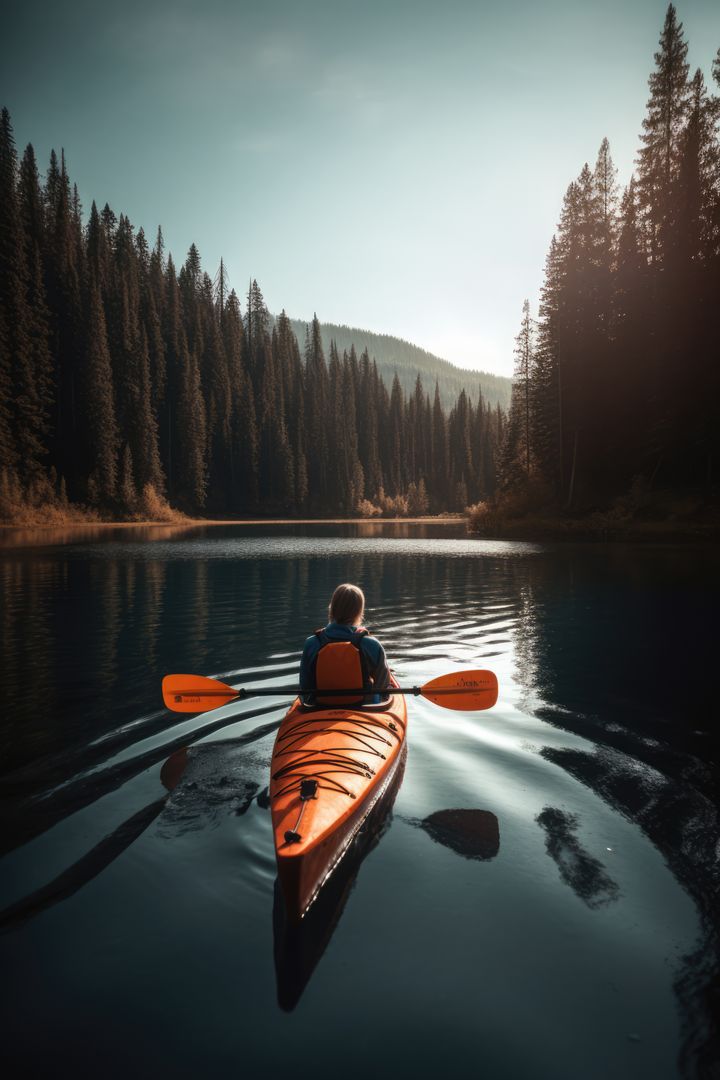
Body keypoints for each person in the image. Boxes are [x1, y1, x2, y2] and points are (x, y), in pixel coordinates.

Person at [299, 583, 390, 705]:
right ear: (359, 612)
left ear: (332, 608)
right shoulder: (372, 645)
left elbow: (305, 688)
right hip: (365, 708)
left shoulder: (311, 643)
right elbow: (382, 688)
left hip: (319, 708)